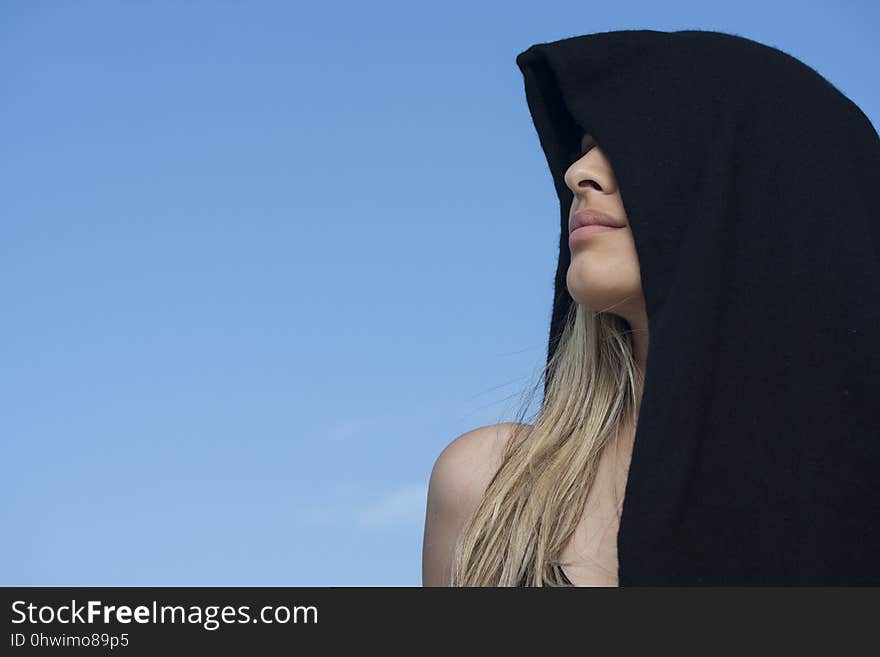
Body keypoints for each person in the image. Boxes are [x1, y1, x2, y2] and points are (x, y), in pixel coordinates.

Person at [422, 29, 880, 586]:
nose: (576, 174)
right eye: (585, 146)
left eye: (633, 146)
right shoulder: (491, 491)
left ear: (760, 186)